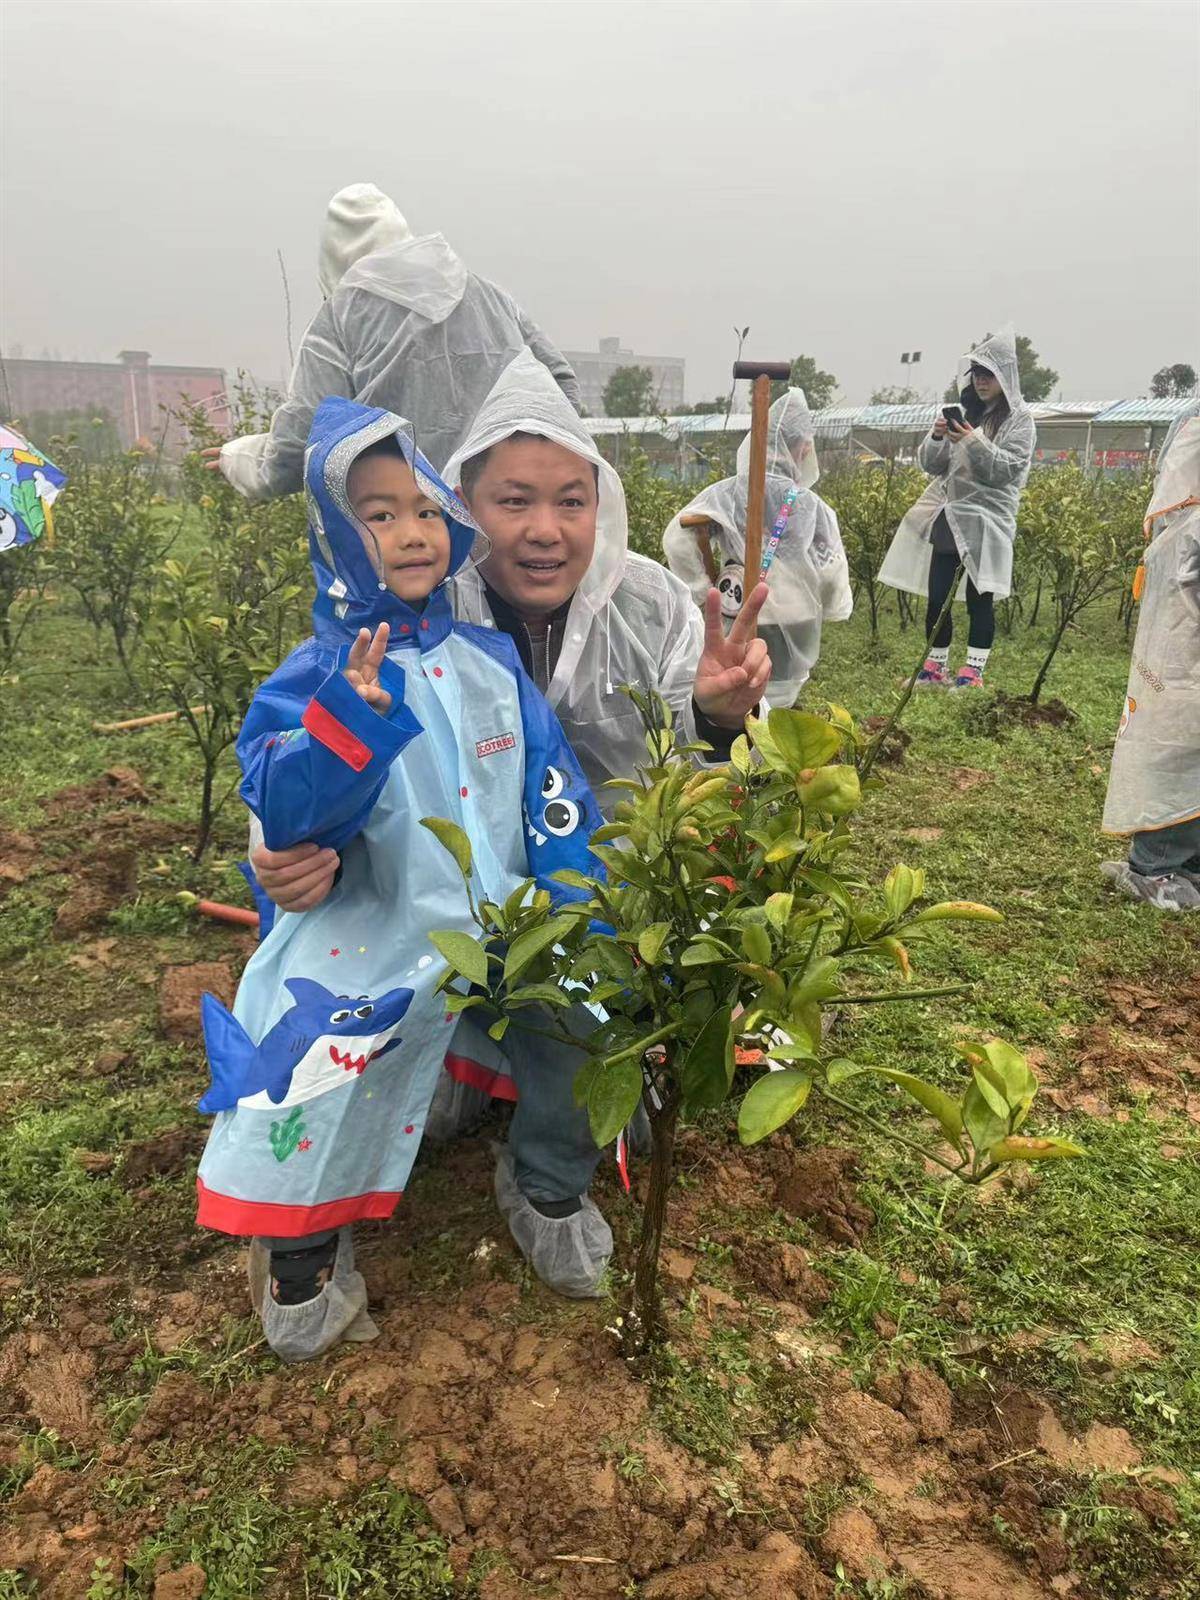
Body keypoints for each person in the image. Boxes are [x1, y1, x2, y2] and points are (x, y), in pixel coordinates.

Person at [247, 349, 773, 1292]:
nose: (545, 529)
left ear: (600, 507)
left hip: (591, 880)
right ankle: (314, 1215)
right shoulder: (411, 604)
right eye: (511, 500)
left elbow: (670, 793)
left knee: (590, 1034)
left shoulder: (650, 602)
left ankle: (545, 1149)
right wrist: (275, 843)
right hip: (406, 894)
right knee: (334, 1035)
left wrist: (717, 721)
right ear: (467, 508)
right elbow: (296, 750)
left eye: (570, 500)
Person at [196, 394, 605, 1361]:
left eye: (423, 508)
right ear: (335, 532)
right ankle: (302, 1261)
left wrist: (571, 892)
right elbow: (290, 816)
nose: (411, 532)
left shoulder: (487, 661)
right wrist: (348, 722)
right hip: (369, 930)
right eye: (377, 515)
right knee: (310, 1075)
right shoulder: (310, 678)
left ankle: (547, 1184)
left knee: (583, 1011)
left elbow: (553, 790)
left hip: (501, 920)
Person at [205, 183, 581, 495]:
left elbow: (301, 441)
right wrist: (519, 478)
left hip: (405, 543)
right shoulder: (490, 297)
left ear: (333, 257)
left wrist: (240, 458)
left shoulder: (342, 315)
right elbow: (561, 388)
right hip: (505, 534)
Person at [662, 388, 852, 705]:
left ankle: (744, 748)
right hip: (797, 618)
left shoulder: (727, 494)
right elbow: (831, 573)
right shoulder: (811, 506)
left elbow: (678, 537)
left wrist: (704, 590)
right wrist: (830, 608)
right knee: (781, 702)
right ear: (803, 449)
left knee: (740, 696)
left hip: (740, 615)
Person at [879, 327, 1035, 688]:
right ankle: (935, 668)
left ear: (1005, 378)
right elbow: (933, 465)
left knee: (980, 598)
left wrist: (971, 440)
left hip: (988, 519)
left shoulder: (1019, 420)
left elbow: (1006, 469)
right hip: (950, 515)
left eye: (988, 375)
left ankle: (972, 673)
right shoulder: (969, 412)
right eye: (976, 374)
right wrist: (937, 437)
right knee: (937, 597)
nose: (980, 382)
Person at [1100, 416, 1200, 912]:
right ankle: (1156, 865)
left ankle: (1182, 865)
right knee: (1177, 759)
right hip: (1184, 674)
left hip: (1182, 672)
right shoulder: (1191, 527)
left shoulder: (1180, 524)